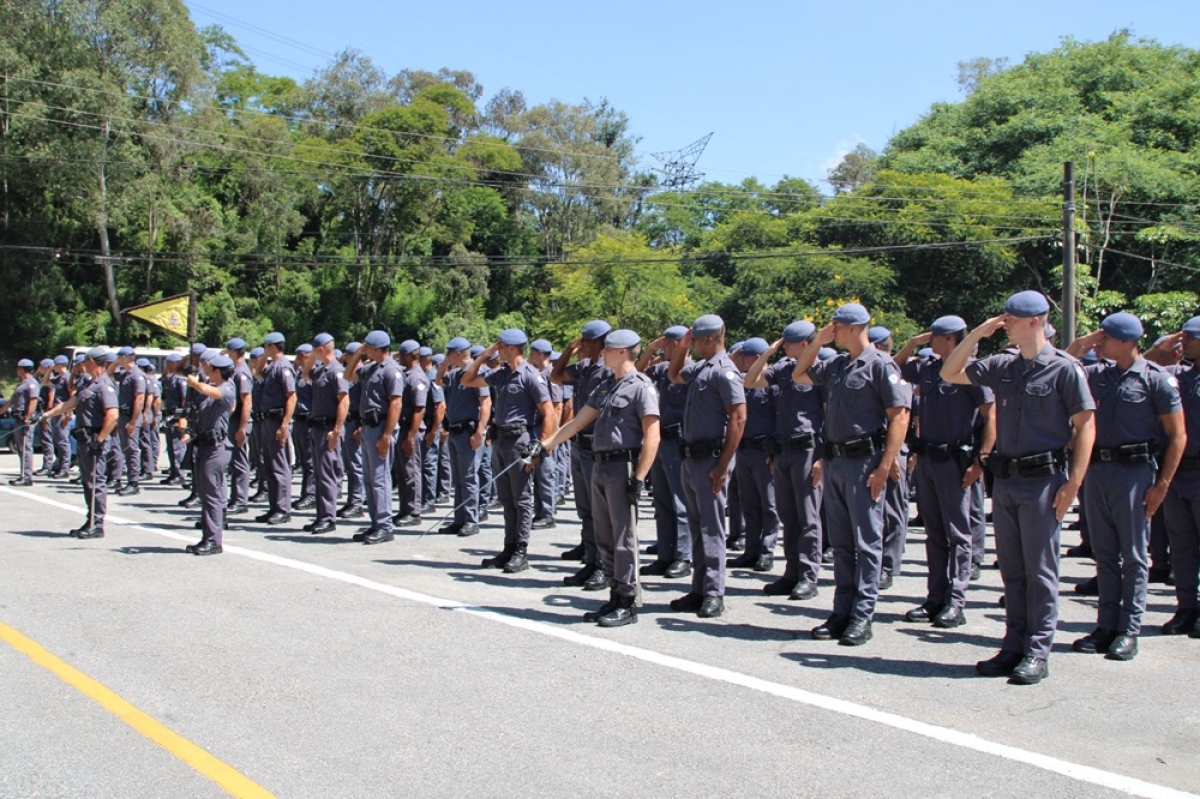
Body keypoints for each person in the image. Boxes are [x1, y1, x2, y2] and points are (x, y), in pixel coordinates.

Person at [941, 290, 1096, 685]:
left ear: (1034, 321)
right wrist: (977, 333)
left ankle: (1037, 651)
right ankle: (1013, 645)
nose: (1005, 323)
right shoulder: (1003, 365)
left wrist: (1073, 484)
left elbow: (1085, 426)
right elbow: (950, 372)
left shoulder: (1064, 369)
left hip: (1043, 481)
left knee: (1040, 571)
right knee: (1012, 570)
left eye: (1011, 318)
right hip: (1007, 482)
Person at [1065, 313, 1184, 660]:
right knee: (1104, 554)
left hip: (1134, 473)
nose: (1100, 342)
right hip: (1098, 471)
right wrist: (1082, 343)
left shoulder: (1155, 379)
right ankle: (1106, 625)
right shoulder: (1096, 375)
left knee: (1133, 556)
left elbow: (1177, 435)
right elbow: (1062, 367)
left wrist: (1162, 484)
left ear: (1127, 341)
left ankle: (1128, 630)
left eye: (1107, 337)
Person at [792, 304, 911, 646]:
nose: (832, 331)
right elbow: (800, 374)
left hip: (864, 462)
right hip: (837, 461)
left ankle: (862, 614)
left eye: (836, 326)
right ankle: (841, 611)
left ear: (853, 327)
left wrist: (885, 466)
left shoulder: (881, 364)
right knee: (842, 543)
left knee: (867, 542)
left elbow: (900, 416)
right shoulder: (838, 365)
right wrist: (817, 343)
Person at [538, 329, 660, 626]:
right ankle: (615, 595)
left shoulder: (641, 386)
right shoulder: (606, 386)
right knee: (604, 536)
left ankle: (628, 601)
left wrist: (639, 478)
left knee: (623, 537)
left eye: (607, 349)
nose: (602, 353)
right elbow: (578, 422)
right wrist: (546, 444)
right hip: (600, 465)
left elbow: (653, 435)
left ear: (622, 352)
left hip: (623, 467)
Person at [894, 316, 995, 629]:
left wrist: (981, 461)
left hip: (955, 461)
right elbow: (893, 367)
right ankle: (935, 597)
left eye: (934, 336)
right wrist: (912, 344)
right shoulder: (927, 367)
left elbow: (991, 417)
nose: (930, 340)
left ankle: (956, 601)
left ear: (950, 338)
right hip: (928, 459)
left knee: (958, 533)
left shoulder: (971, 371)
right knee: (934, 533)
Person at [666, 314, 746, 619]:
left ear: (709, 339)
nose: (694, 344)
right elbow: (674, 374)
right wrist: (684, 347)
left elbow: (738, 417)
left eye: (697, 340)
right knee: (698, 526)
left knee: (712, 528)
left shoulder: (725, 371)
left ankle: (714, 592)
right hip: (692, 458)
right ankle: (698, 589)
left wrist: (723, 464)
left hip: (711, 459)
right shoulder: (702, 368)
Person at [744, 320, 825, 601]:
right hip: (782, 451)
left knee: (808, 518)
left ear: (804, 344)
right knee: (789, 516)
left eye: (788, 342)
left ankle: (808, 576)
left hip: (807, 451)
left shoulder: (821, 369)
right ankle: (791, 573)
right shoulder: (783, 369)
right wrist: (767, 353)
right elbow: (750, 381)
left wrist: (822, 458)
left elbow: (828, 414)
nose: (784, 346)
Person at [462, 329, 555, 573]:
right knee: (506, 498)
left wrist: (537, 450)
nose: (497, 349)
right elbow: (467, 380)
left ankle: (521, 551)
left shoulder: (530, 376)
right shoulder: (501, 374)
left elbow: (549, 414)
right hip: (501, 440)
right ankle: (509, 547)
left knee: (521, 498)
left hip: (521, 440)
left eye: (500, 346)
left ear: (512, 348)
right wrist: (484, 355)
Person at [1146, 318, 1200, 636]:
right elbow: (1141, 368)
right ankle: (1186, 608)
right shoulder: (1178, 376)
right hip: (1178, 472)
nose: (1184, 343)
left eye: (1191, 338)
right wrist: (1159, 348)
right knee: (1181, 546)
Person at [551, 320, 613, 589]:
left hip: (596, 445)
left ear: (599, 342)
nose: (582, 344)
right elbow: (555, 376)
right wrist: (568, 350)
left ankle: (603, 566)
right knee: (585, 510)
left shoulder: (608, 369)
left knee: (600, 511)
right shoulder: (585, 367)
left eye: (586, 340)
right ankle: (590, 561)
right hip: (579, 444)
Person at [40, 347, 118, 538]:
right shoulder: (89, 383)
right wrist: (46, 415)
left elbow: (112, 415)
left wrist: (100, 439)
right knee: (87, 482)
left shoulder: (104, 385)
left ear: (91, 361)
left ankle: (97, 524)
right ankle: (90, 519)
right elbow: (69, 403)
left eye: (84, 361)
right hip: (84, 438)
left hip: (94, 438)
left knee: (96, 482)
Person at [638, 326, 694, 579]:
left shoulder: (691, 370)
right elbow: (637, 373)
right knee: (661, 502)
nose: (665, 349)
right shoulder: (660, 369)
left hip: (678, 440)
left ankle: (683, 556)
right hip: (659, 440)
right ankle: (665, 555)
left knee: (680, 501)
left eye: (668, 345)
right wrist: (649, 350)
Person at [729, 337, 781, 572]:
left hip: (764, 452)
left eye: (746, 355)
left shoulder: (772, 383)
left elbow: (780, 418)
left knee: (769, 505)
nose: (742, 359)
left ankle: (766, 551)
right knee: (748, 504)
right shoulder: (742, 381)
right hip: (744, 450)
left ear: (758, 357)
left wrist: (774, 452)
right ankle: (751, 550)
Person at [436, 337, 491, 537]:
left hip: (469, 432)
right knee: (458, 479)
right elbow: (438, 380)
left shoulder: (476, 372)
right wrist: (445, 363)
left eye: (449, 353)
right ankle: (459, 519)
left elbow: (485, 403)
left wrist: (480, 432)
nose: (447, 356)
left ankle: (471, 520)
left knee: (469, 478)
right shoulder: (454, 374)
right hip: (455, 431)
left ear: (457, 353)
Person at [183, 354, 236, 555]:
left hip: (216, 448)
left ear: (217, 371)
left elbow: (206, 389)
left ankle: (214, 540)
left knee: (212, 496)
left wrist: (194, 383)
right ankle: (208, 536)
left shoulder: (227, 388)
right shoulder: (214, 387)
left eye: (211, 369)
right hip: (205, 445)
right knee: (206, 495)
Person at [354, 330, 403, 544]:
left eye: (367, 347)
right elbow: (349, 375)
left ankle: (384, 526)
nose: (365, 350)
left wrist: (386, 435)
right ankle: (375, 523)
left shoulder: (391, 370)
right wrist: (358, 354)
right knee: (369, 479)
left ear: (375, 349)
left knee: (380, 478)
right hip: (368, 426)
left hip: (381, 426)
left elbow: (396, 403)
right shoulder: (372, 368)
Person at [305, 333, 349, 535]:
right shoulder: (322, 370)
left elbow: (344, 400)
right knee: (319, 474)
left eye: (314, 350)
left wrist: (337, 430)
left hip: (328, 428)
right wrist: (312, 358)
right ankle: (321, 516)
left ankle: (328, 518)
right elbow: (306, 374)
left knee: (327, 475)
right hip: (318, 427)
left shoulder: (336, 371)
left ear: (321, 349)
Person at [257, 332, 296, 525]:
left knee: (280, 466)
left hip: (277, 420)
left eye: (266, 346)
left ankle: (283, 509)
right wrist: (265, 356)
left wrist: (284, 424)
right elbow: (257, 372)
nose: (264, 349)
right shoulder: (273, 366)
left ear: (272, 346)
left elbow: (291, 396)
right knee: (270, 466)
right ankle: (274, 507)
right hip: (268, 420)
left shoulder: (283, 367)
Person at [392, 340, 429, 527]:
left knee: (411, 472)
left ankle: (414, 512)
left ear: (408, 355)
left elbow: (419, 409)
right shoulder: (406, 374)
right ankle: (404, 509)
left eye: (401, 355)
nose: (398, 357)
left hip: (411, 429)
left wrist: (410, 437)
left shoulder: (416, 377)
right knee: (402, 472)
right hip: (404, 427)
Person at [528, 338, 561, 530]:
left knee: (545, 473)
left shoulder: (551, 374)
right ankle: (538, 511)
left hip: (545, 430)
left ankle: (547, 514)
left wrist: (551, 438)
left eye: (532, 352)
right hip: (533, 429)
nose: (529, 355)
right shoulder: (536, 373)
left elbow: (556, 408)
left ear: (540, 354)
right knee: (533, 470)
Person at [225, 338, 254, 515]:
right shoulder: (235, 370)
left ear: (234, 352)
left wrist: (242, 427)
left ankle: (240, 500)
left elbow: (247, 401)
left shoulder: (241, 372)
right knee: (234, 463)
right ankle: (236, 497)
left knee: (239, 462)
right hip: (235, 421)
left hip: (239, 422)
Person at [338, 342, 367, 520]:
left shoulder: (363, 374)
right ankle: (352, 500)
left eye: (347, 355)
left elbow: (367, 402)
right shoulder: (350, 374)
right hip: (348, 422)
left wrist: (361, 426)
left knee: (356, 465)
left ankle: (357, 502)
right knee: (349, 465)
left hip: (357, 421)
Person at [113, 346, 147, 495]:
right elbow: (109, 374)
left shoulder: (136, 375)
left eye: (119, 357)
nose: (117, 360)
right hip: (123, 416)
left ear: (125, 358)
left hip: (131, 417)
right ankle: (130, 480)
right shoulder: (125, 374)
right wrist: (115, 363)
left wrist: (133, 421)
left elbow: (139, 399)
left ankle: (133, 483)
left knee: (132, 450)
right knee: (126, 449)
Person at [2, 359, 40, 486]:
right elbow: (11, 401)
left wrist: (28, 417)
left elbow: (33, 401)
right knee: (20, 448)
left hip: (24, 419)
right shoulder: (21, 384)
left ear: (22, 369)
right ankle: (23, 474)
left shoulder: (32, 383)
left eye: (18, 368)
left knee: (25, 448)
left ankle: (27, 477)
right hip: (18, 418)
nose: (17, 370)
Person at [291, 343, 317, 512]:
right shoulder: (299, 374)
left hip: (308, 420)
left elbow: (317, 400)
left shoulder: (314, 374)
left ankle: (311, 495)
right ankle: (305, 494)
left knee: (310, 461)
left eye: (301, 355)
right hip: (298, 420)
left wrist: (312, 423)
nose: (298, 359)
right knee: (303, 461)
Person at [160, 353, 187, 484]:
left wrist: (180, 418)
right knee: (171, 447)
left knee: (177, 447)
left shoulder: (181, 380)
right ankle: (174, 472)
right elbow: (164, 376)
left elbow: (184, 400)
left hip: (176, 415)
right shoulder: (171, 378)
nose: (166, 365)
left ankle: (180, 474)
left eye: (168, 363)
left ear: (174, 363)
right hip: (169, 415)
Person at [138, 359, 161, 483]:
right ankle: (145, 468)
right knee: (144, 442)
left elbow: (156, 401)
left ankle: (147, 470)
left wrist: (152, 416)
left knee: (146, 442)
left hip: (146, 415)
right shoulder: (145, 379)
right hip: (145, 414)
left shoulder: (148, 380)